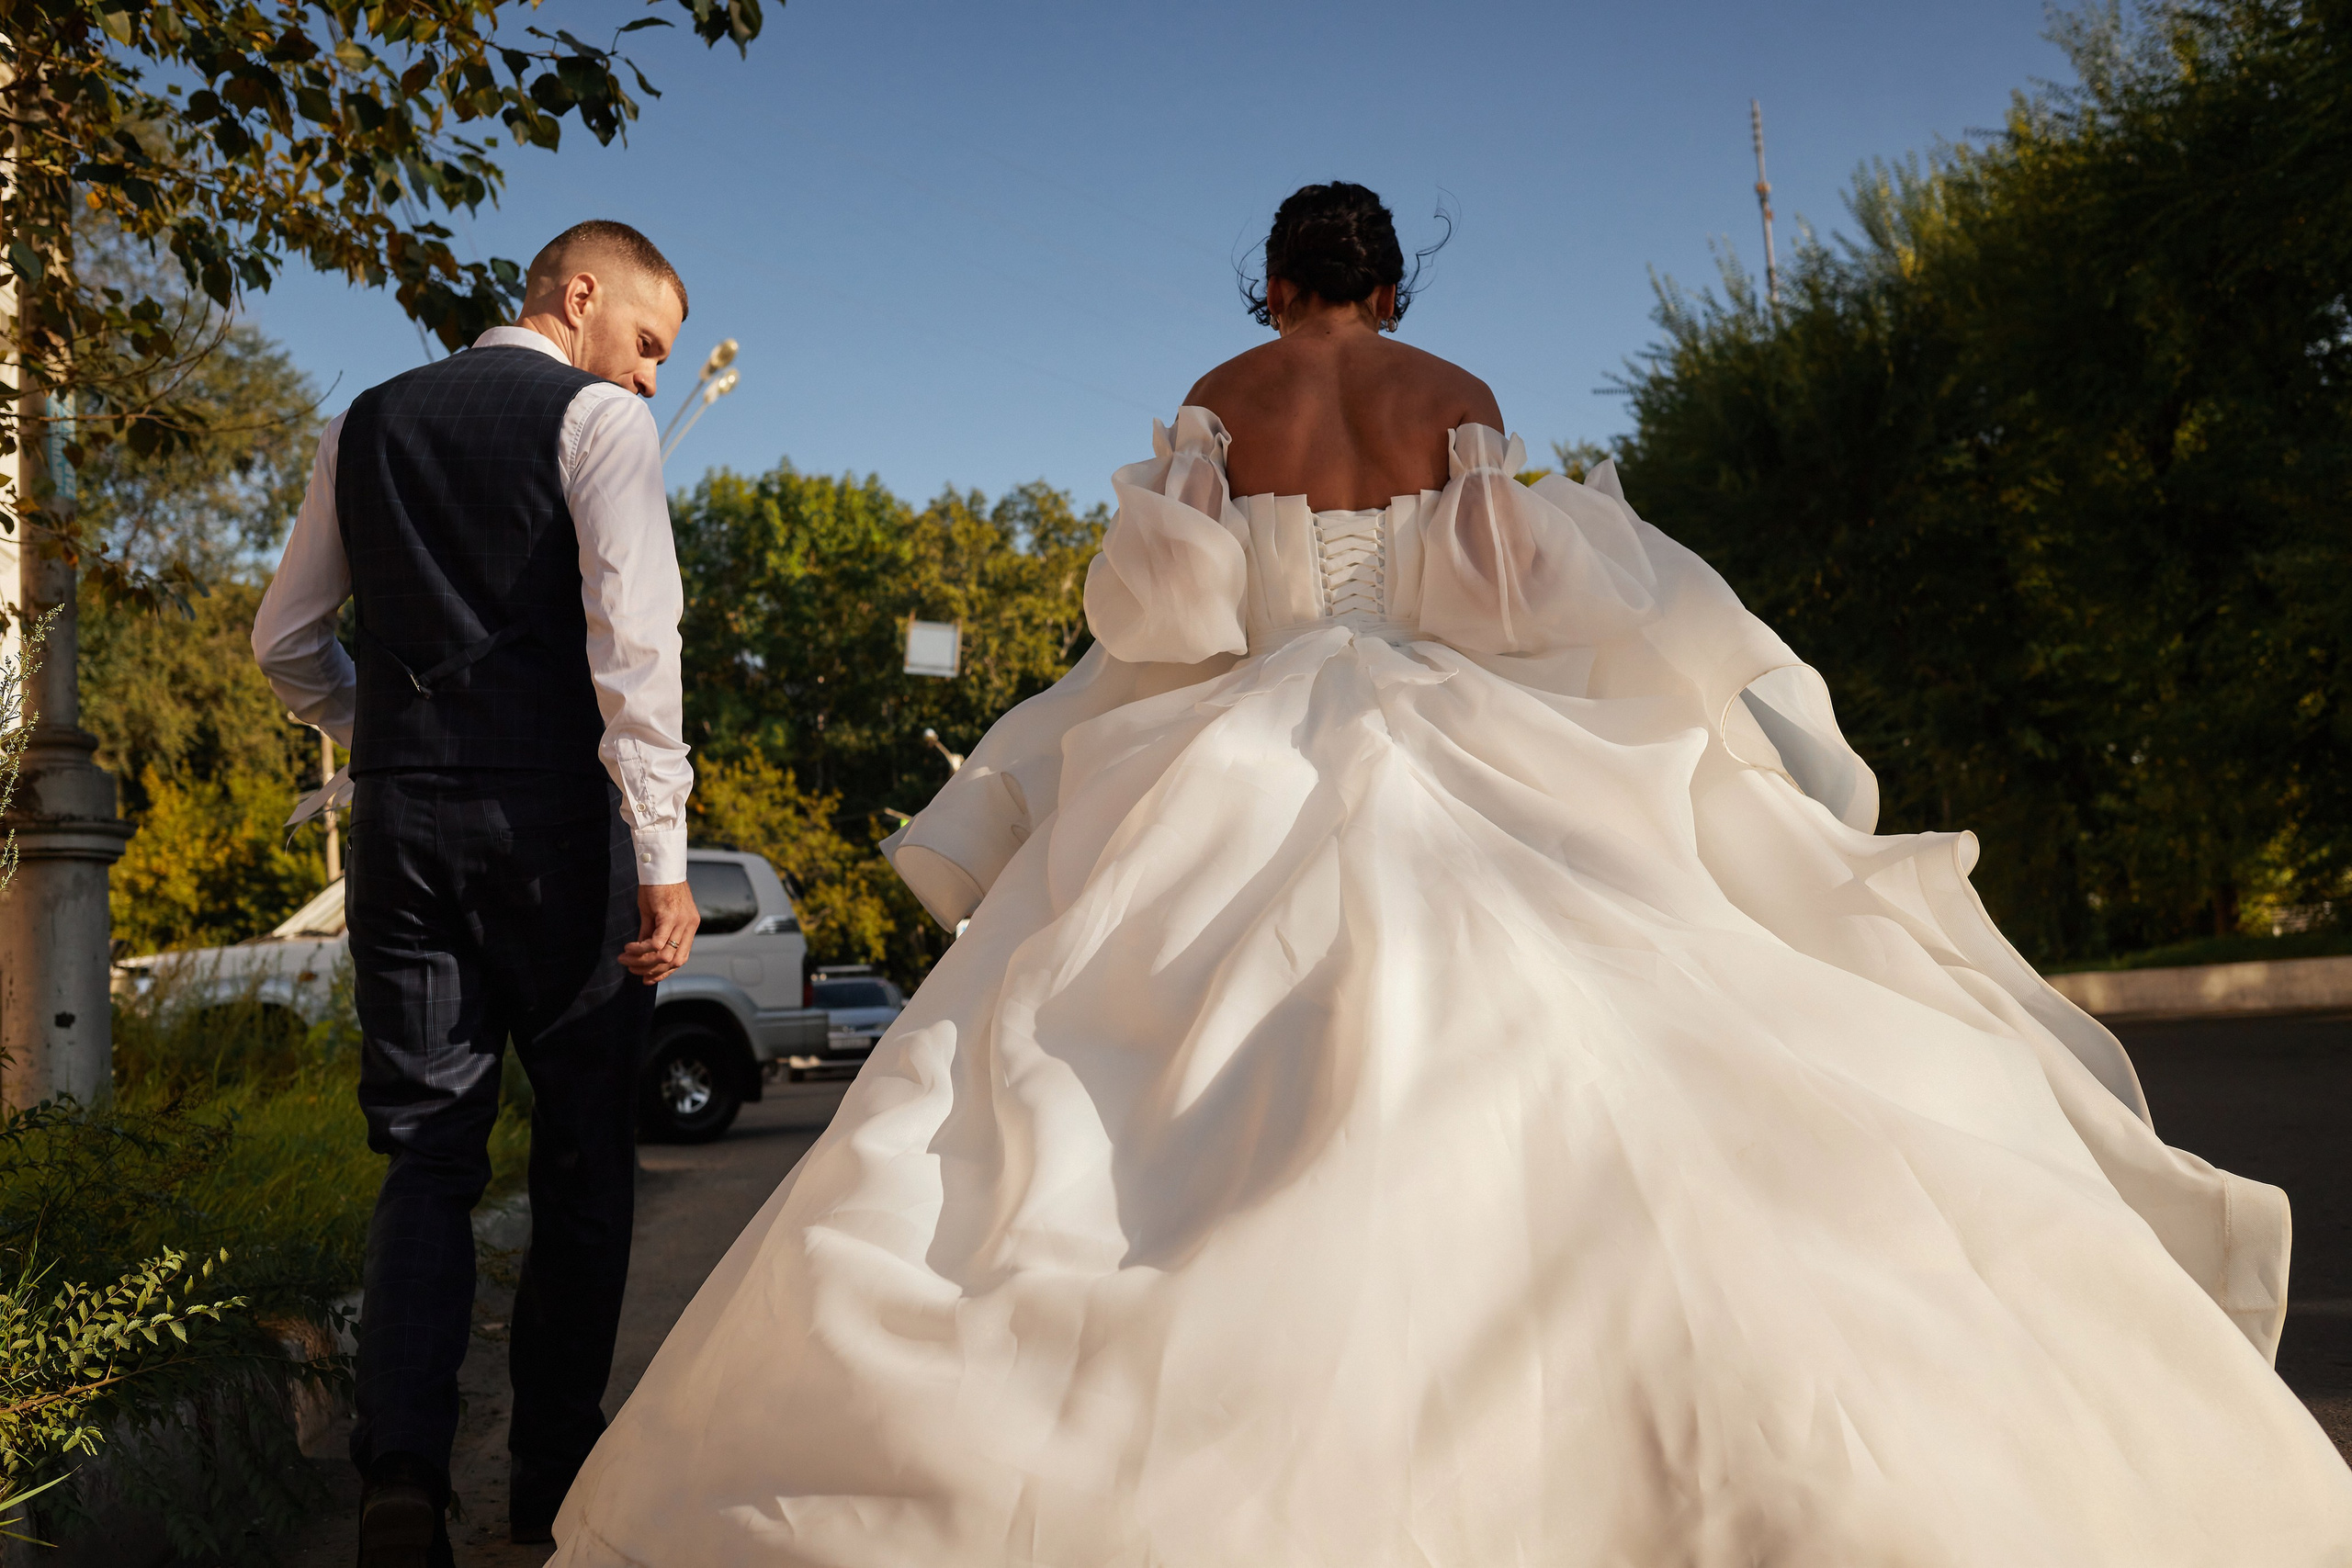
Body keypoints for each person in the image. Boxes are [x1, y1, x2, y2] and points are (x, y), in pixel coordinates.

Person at [549, 185, 2352, 1565]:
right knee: (1614, 1032)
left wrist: (1253, 567)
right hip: (1438, 719)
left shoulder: (1222, 391)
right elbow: (1496, 592)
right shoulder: (1453, 387)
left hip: (1242, 737)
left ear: (1269, 287)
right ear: (1390, 287)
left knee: (1087, 1082)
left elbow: (1160, 612)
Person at [254, 219, 702, 1567]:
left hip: (398, 835)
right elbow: (637, 652)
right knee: (578, 1161)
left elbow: (283, 642)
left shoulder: (367, 422)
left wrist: (383, 740)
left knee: (425, 1158)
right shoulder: (598, 428)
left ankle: (401, 1482)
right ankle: (553, 1480)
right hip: (561, 833)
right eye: (644, 347)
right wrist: (667, 864)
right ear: (578, 298)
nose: (645, 383)